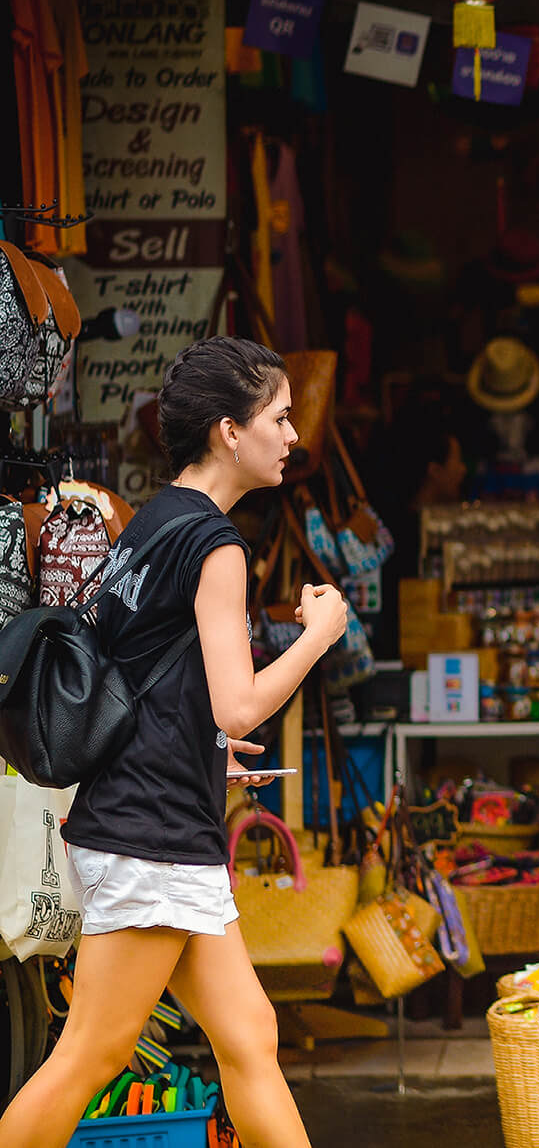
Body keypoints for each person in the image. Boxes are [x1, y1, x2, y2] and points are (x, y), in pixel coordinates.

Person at [0, 338, 352, 1148]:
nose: (293, 435)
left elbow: (144, 680)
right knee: (90, 1054)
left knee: (250, 1040)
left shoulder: (156, 521)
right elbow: (238, 705)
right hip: (152, 834)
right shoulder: (216, 545)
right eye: (281, 416)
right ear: (231, 431)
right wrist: (320, 634)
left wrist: (203, 748)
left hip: (159, 821)